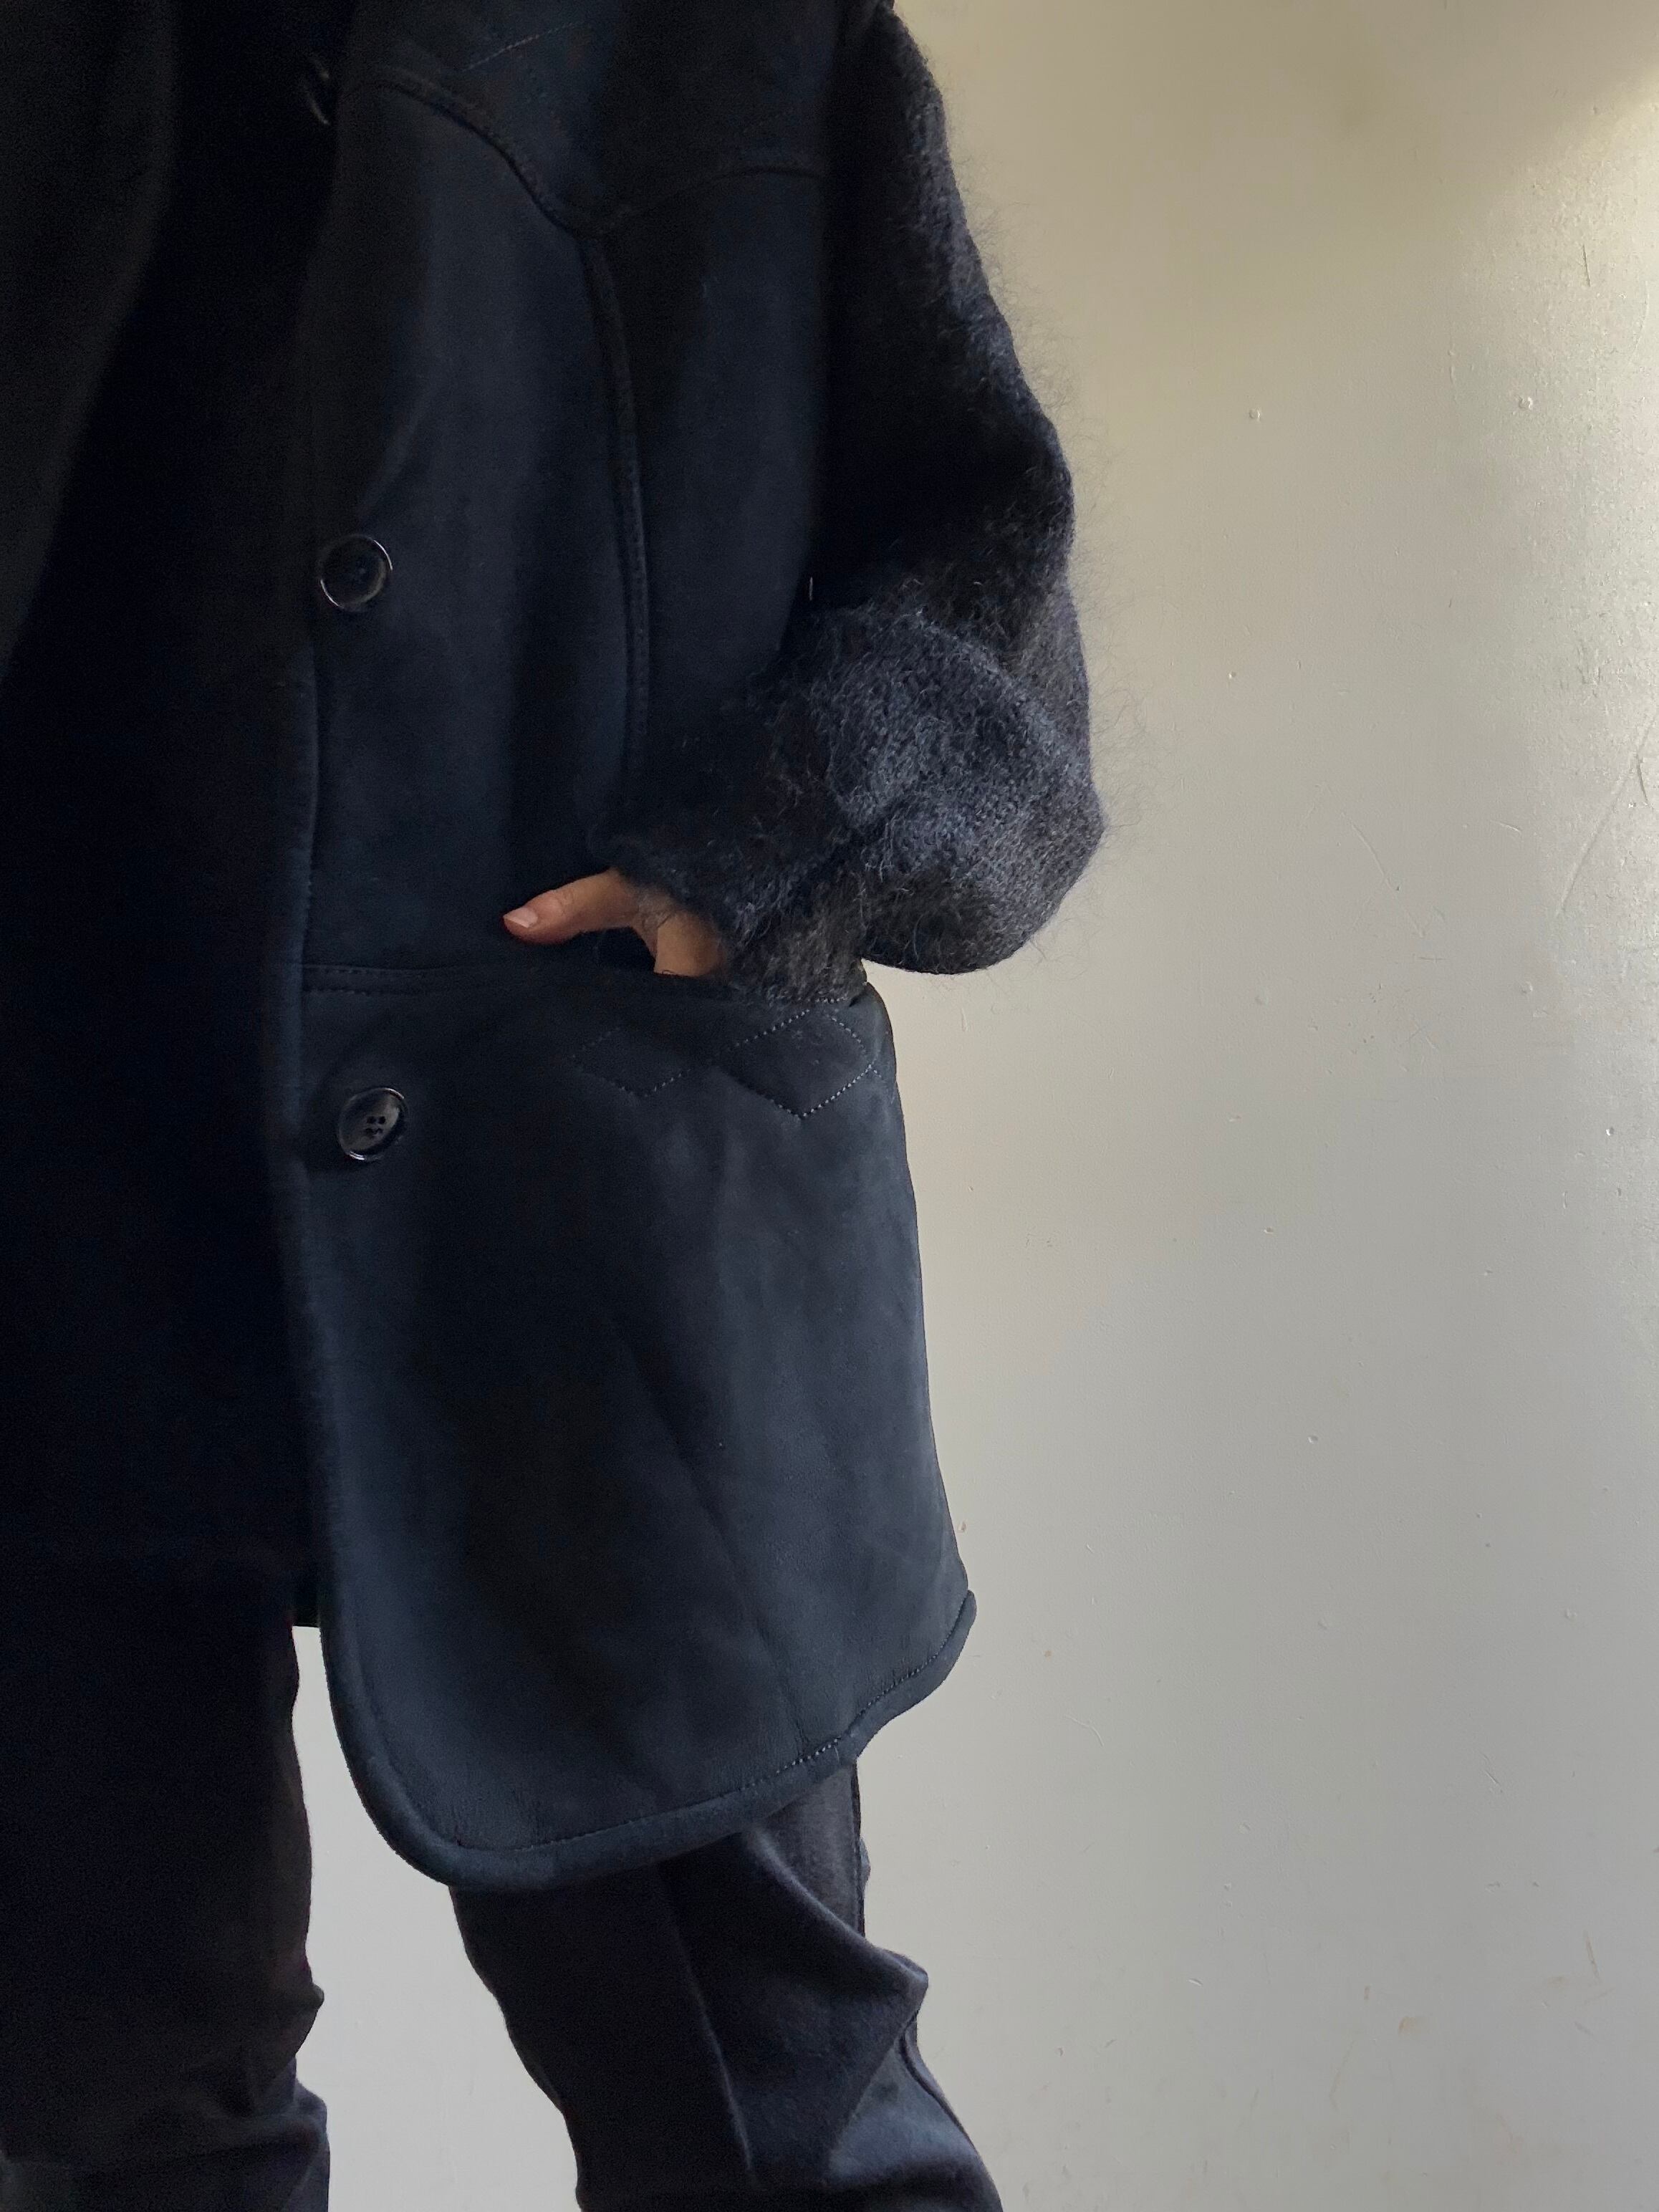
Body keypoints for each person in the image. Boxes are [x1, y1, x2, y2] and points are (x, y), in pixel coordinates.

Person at [0, 0, 1105, 2203]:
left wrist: (775, 838)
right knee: (112, 2101)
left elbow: (982, 571)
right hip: (62, 1175)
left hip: (579, 1173)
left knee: (770, 2110)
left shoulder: (734, 40)